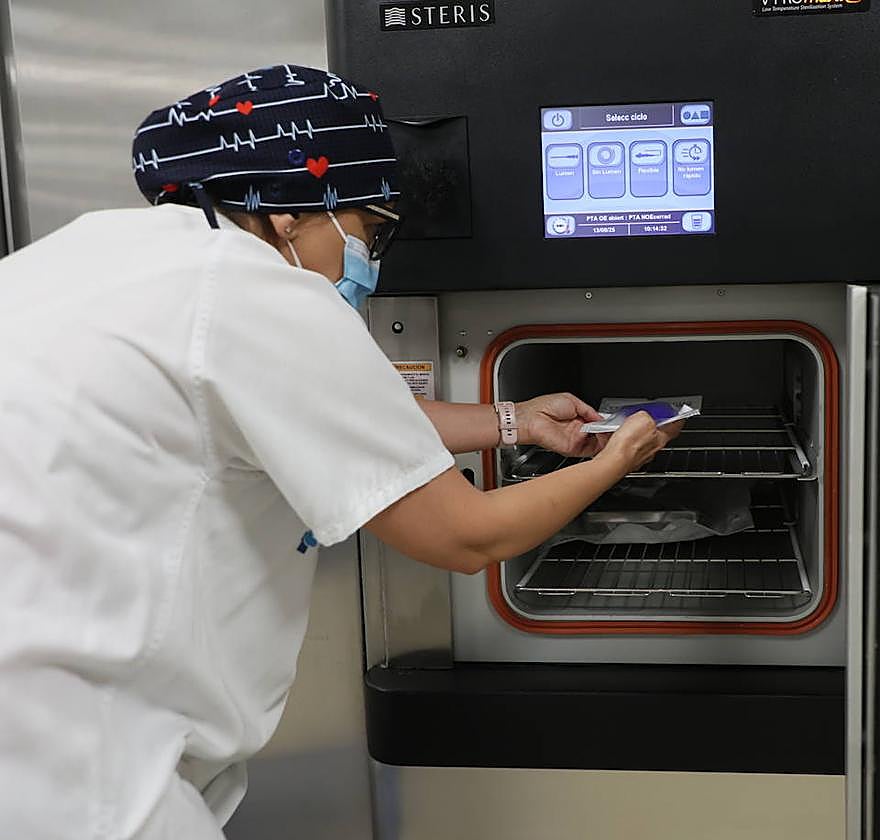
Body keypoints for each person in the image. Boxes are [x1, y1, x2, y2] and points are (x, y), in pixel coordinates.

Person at [0, 65, 679, 839]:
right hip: (78, 771)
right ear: (292, 214)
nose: (371, 258)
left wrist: (512, 421)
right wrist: (616, 459)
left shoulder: (95, 256)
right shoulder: (264, 294)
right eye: (369, 228)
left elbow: (334, 420)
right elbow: (468, 536)